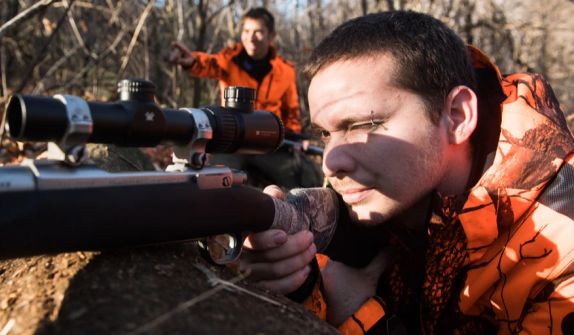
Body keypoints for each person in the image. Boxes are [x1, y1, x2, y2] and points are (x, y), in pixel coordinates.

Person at [236, 11, 574, 334]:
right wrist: (303, 283)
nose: (329, 162)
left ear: (456, 116)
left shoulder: (565, 251)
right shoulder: (398, 194)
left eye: (362, 125)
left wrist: (359, 313)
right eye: (325, 133)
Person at [167, 7, 322, 189]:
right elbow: (208, 64)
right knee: (212, 181)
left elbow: (291, 110)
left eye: (258, 31)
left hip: (268, 143)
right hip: (233, 142)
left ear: (271, 35)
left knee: (305, 178)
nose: (251, 37)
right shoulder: (230, 59)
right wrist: (192, 61)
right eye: (246, 31)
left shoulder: (285, 70)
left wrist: (295, 139)